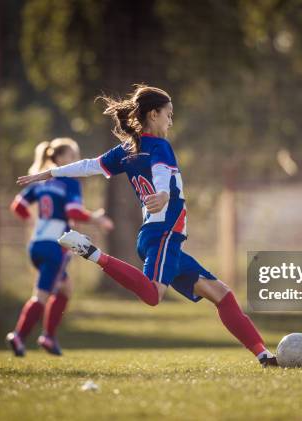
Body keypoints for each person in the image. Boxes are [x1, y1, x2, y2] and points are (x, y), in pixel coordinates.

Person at [16, 86, 278, 366]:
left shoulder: (127, 150)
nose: (170, 121)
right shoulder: (158, 146)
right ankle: (92, 252)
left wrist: (50, 172)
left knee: (222, 295)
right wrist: (164, 195)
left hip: (163, 237)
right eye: (168, 114)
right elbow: (161, 174)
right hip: (164, 232)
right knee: (153, 295)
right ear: (153, 114)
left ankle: (264, 356)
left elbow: (89, 165)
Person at [7, 138, 113, 357]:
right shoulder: (69, 181)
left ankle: (48, 336)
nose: (75, 162)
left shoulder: (40, 181)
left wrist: (31, 222)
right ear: (61, 159)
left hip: (36, 244)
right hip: (54, 247)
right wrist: (96, 218)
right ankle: (19, 336)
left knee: (65, 289)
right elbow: (73, 212)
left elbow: (18, 206)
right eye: (73, 157)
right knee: (41, 296)